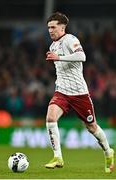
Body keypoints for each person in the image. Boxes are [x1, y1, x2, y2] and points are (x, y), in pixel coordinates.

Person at [45, 12, 114, 173]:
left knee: (91, 127)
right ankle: (58, 157)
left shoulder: (71, 39)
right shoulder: (53, 46)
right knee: (50, 117)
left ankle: (108, 151)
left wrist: (59, 58)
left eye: (53, 27)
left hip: (79, 93)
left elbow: (82, 56)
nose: (50, 30)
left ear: (62, 27)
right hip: (61, 91)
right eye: (48, 27)